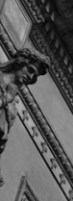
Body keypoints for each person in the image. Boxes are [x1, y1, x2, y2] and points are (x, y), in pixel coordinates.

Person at [0, 48, 48, 178]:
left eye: (34, 76)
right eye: (30, 70)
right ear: (20, 62)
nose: (30, 76)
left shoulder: (12, 109)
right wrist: (6, 99)